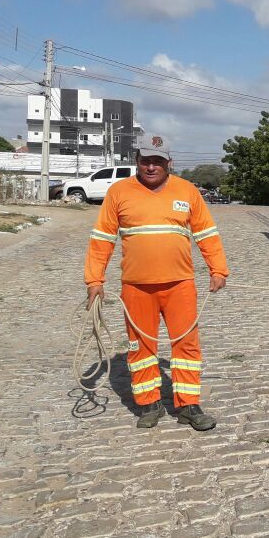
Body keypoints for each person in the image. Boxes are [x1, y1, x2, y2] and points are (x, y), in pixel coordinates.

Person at [84, 134, 229, 430]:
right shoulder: (119, 192)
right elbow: (102, 238)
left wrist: (218, 269)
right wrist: (94, 279)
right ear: (137, 161)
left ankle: (189, 405)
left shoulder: (187, 191)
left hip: (180, 285)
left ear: (169, 163)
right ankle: (149, 404)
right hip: (136, 287)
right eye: (146, 161)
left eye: (158, 162)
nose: (151, 167)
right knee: (140, 348)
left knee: (186, 346)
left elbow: (206, 233)